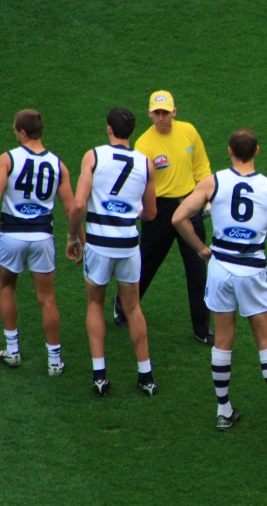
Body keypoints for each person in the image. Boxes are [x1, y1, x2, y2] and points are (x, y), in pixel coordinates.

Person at [172, 128, 267, 431]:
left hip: (220, 268)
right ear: (257, 151)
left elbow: (178, 218)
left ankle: (223, 411)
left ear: (230, 151)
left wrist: (200, 248)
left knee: (222, 341)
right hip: (252, 270)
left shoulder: (213, 182)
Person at [66, 107, 158, 396]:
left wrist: (71, 237)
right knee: (133, 309)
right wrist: (128, 211)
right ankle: (146, 376)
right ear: (132, 132)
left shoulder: (93, 156)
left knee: (95, 304)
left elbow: (78, 205)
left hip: (98, 244)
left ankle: (100, 375)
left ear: (109, 128)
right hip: (129, 245)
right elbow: (151, 213)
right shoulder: (146, 163)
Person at [113, 90, 214, 345]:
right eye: (156, 113)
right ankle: (123, 308)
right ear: (149, 114)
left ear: (174, 112)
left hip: (189, 208)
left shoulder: (189, 131)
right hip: (159, 211)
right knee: (146, 264)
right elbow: (143, 182)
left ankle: (201, 330)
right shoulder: (145, 144)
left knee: (197, 268)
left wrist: (207, 198)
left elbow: (201, 168)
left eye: (165, 113)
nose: (161, 118)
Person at [0, 109, 77, 375]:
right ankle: (54, 360)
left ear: (22, 132)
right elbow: (71, 208)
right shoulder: (58, 164)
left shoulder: (7, 159)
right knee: (47, 299)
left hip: (11, 235)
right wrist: (75, 238)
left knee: (6, 287)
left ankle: (12, 350)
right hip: (42, 237)